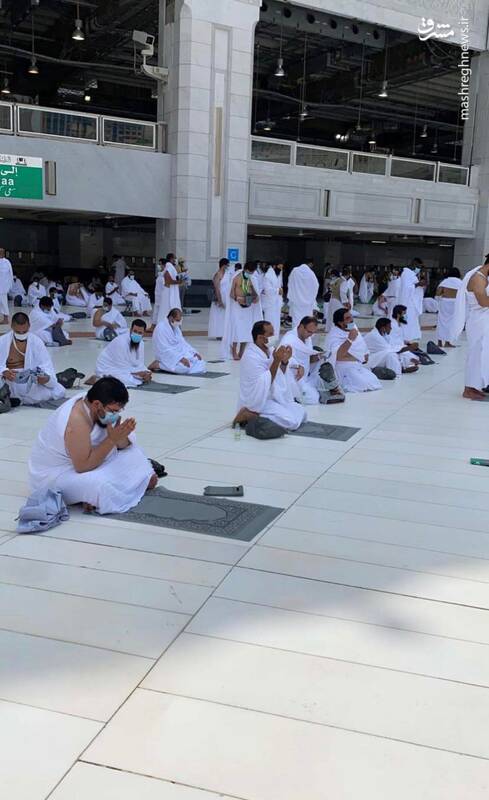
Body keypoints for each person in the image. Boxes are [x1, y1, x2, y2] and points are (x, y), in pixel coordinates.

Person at [28, 376, 157, 514]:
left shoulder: (98, 406)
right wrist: (111, 440)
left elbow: (122, 446)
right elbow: (82, 466)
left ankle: (90, 495)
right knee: (99, 486)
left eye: (118, 411)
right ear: (97, 404)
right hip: (57, 475)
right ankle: (91, 494)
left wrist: (120, 436)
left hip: (93, 461)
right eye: (113, 411)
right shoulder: (77, 420)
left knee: (136, 455)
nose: (115, 414)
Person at [234, 320, 307, 430]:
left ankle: (259, 416)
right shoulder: (250, 356)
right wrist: (276, 360)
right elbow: (265, 383)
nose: (274, 336)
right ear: (260, 337)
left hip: (273, 396)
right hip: (257, 401)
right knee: (291, 422)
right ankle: (247, 415)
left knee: (302, 412)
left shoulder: (270, 349)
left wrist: (284, 362)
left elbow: (279, 374)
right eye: (270, 334)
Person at [0, 312, 66, 405]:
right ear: (12, 326)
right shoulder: (2, 341)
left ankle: (11, 398)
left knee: (59, 390)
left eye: (24, 331)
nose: (21, 334)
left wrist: (45, 378)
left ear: (29, 326)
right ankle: (12, 397)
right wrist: (4, 371)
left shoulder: (37, 342)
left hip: (29, 382)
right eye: (18, 332)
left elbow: (46, 365)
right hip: (8, 381)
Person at [280, 316, 344, 404]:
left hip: (306, 374)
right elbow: (282, 359)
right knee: (313, 398)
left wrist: (320, 356)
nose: (311, 335)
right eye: (309, 332)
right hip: (295, 376)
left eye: (313, 333)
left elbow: (307, 358)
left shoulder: (307, 338)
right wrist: (298, 366)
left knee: (325, 359)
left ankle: (329, 388)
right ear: (301, 327)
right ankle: (296, 395)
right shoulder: (289, 340)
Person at [451, 256, 489, 400]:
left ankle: (475, 386)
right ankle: (468, 388)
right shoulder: (478, 278)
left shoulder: (483, 276)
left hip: (483, 320)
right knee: (476, 354)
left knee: (482, 354)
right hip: (479, 322)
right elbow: (483, 301)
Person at [326, 308, 382, 393]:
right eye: (347, 318)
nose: (351, 320)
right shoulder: (334, 334)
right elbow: (338, 356)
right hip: (343, 367)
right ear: (340, 323)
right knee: (362, 384)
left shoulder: (352, 326)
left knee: (374, 381)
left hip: (357, 364)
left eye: (351, 316)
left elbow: (361, 343)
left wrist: (365, 353)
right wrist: (349, 339)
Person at [88, 320, 152, 387]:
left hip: (125, 368)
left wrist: (146, 372)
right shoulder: (121, 342)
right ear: (130, 330)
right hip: (107, 367)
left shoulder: (141, 343)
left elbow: (139, 363)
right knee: (126, 380)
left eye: (140, 333)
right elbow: (121, 366)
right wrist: (137, 373)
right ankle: (98, 379)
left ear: (143, 334)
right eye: (135, 331)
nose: (137, 334)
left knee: (143, 376)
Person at [150, 308, 207, 375]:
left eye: (180, 320)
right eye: (177, 320)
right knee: (183, 368)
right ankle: (159, 365)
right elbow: (163, 349)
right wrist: (180, 358)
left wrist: (194, 352)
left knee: (200, 363)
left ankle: (170, 365)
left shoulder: (175, 327)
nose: (179, 323)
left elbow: (183, 343)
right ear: (171, 318)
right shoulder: (161, 328)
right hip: (167, 356)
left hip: (178, 354)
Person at [221, 262, 259, 360]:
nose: (250, 273)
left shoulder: (252, 279)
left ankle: (241, 352)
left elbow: (255, 293)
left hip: (248, 308)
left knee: (246, 330)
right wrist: (237, 299)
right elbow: (231, 294)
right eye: (249, 272)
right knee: (236, 330)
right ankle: (234, 351)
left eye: (252, 272)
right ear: (245, 269)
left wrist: (254, 298)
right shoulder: (236, 278)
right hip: (237, 307)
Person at [287, 260, 319, 328]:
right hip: (308, 301)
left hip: (296, 300)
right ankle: (306, 332)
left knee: (296, 319)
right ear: (309, 264)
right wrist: (311, 296)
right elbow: (316, 285)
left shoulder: (295, 271)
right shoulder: (311, 273)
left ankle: (296, 332)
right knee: (307, 319)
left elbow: (290, 282)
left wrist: (294, 293)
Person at [436, 267, 462, 347]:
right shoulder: (460, 282)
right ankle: (447, 342)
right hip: (454, 303)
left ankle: (439, 342)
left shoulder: (445, 281)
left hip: (444, 302)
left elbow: (438, 293)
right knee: (451, 323)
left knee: (441, 321)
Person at [208, 258, 232, 339]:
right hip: (219, 297)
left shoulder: (227, 274)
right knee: (218, 316)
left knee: (225, 317)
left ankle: (224, 333)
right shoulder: (218, 274)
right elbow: (217, 288)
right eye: (227, 265)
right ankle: (218, 334)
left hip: (226, 298)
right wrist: (220, 300)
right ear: (223, 265)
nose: (228, 267)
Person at [398, 266, 422, 342]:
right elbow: (406, 288)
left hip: (412, 302)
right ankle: (406, 336)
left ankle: (413, 335)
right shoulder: (406, 274)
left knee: (412, 319)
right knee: (407, 319)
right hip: (407, 302)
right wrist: (418, 284)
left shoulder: (411, 275)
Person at [157, 253, 182, 322]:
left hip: (171, 291)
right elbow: (168, 281)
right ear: (171, 259)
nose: (176, 260)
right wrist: (179, 282)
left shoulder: (171, 267)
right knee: (166, 309)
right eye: (175, 258)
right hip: (168, 293)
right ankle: (164, 323)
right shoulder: (169, 266)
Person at [262, 262, 284, 340]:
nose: (281, 269)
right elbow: (267, 290)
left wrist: (279, 291)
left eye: (282, 267)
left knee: (276, 323)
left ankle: (274, 341)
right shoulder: (268, 276)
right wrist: (278, 290)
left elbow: (280, 286)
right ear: (274, 266)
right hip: (270, 304)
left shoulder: (278, 274)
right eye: (279, 267)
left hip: (277, 304)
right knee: (270, 322)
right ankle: (268, 341)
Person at [0, 248, 13, 324]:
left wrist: (9, 286)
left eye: (2, 252)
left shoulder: (7, 262)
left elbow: (10, 274)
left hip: (3, 287)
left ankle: (5, 319)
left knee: (3, 303)